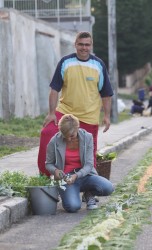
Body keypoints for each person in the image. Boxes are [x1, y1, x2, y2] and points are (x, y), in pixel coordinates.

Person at [38, 31, 113, 176]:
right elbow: (54, 89)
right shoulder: (66, 62)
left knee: (88, 153)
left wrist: (107, 116)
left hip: (88, 116)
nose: (84, 48)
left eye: (87, 45)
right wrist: (51, 113)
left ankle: (89, 189)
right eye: (81, 44)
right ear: (75, 45)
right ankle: (46, 176)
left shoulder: (98, 64)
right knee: (46, 133)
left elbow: (106, 94)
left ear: (91, 45)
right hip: (65, 113)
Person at [45, 114, 114, 212]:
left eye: (71, 136)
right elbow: (48, 164)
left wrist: (76, 175)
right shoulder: (54, 141)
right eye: (65, 136)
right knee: (73, 207)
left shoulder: (87, 138)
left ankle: (88, 194)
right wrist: (55, 170)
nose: (68, 139)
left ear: (77, 128)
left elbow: (89, 164)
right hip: (66, 178)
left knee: (108, 188)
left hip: (86, 175)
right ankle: (72, 193)